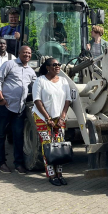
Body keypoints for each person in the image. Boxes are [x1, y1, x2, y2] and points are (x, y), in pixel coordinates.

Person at [0, 45, 37, 174]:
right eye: (25, 52)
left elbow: (36, 86)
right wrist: (1, 99)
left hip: (19, 109)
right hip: (5, 106)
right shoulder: (9, 64)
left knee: (18, 136)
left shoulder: (30, 71)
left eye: (29, 53)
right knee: (1, 135)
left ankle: (18, 164)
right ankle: (1, 163)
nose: (27, 55)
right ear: (19, 53)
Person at [32, 58, 72, 186]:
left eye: (59, 64)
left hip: (59, 118)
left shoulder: (64, 81)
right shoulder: (40, 81)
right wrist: (48, 118)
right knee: (48, 145)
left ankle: (60, 173)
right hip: (42, 117)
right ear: (47, 67)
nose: (58, 66)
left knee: (59, 145)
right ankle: (51, 174)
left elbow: (68, 100)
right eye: (54, 65)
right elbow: (37, 101)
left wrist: (62, 117)